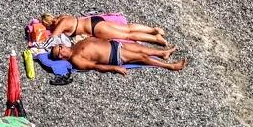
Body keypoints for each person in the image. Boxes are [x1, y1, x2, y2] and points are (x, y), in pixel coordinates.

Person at [50, 38, 186, 74]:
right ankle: (171, 66)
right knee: (142, 57)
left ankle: (163, 53)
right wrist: (114, 68)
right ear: (61, 58)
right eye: (59, 54)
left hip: (114, 45)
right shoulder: (75, 59)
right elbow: (95, 66)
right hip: (114, 55)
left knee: (140, 48)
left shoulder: (76, 44)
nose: (61, 51)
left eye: (60, 48)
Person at [40, 14, 171, 47]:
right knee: (127, 28)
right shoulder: (63, 16)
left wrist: (40, 43)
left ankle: (155, 38)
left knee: (127, 35)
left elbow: (52, 39)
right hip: (95, 21)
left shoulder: (60, 24)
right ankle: (153, 30)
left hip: (95, 29)